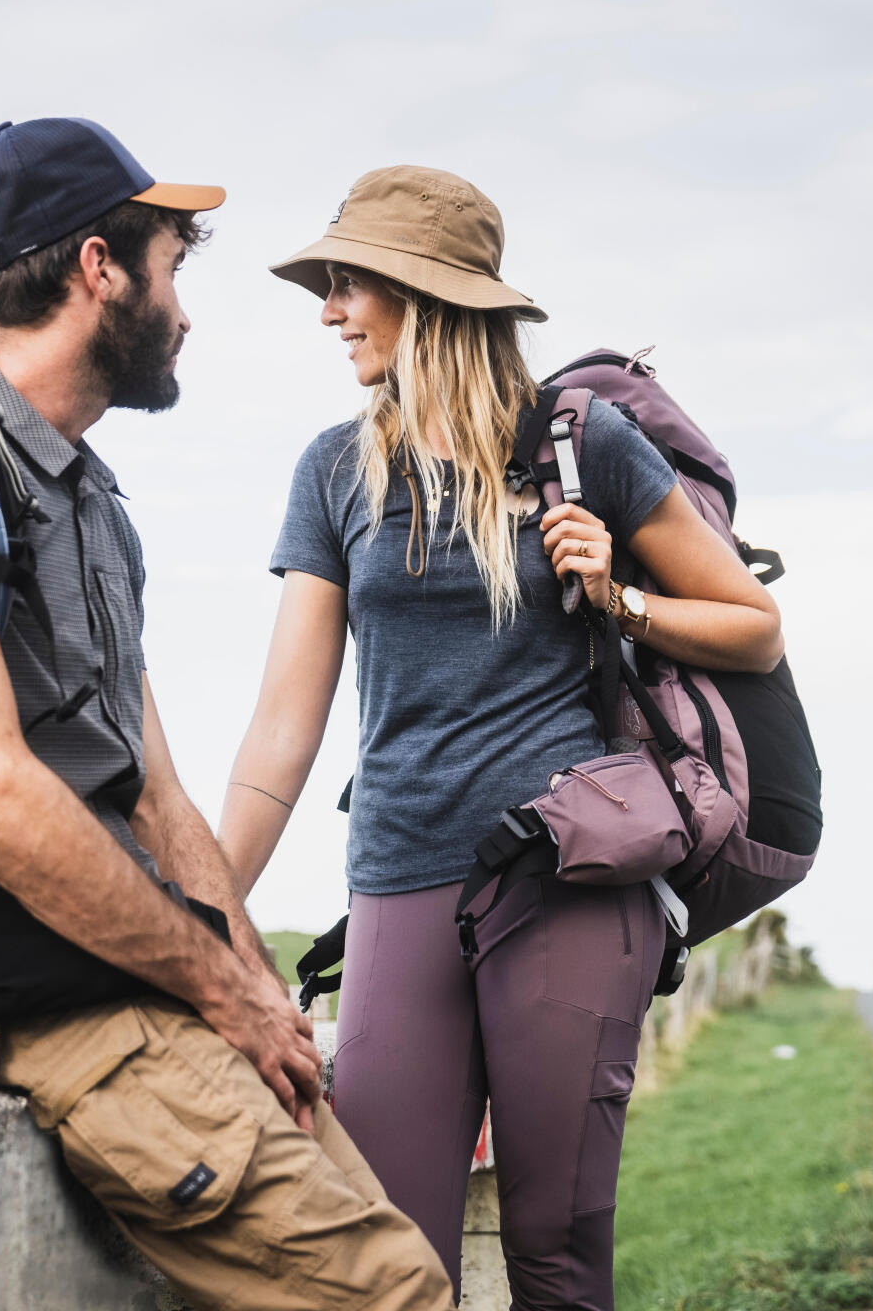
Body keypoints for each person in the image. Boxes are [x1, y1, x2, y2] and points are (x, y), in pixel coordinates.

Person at [0, 121, 452, 1310]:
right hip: (27, 1001)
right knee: (398, 1293)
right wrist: (217, 989)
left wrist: (256, 985)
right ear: (99, 266)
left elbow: (153, 792)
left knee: (399, 1250)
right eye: (173, 268)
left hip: (128, 981)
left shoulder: (91, 502)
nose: (186, 311)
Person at [218, 165, 785, 1309]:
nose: (329, 310)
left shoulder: (585, 448)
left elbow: (753, 628)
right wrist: (199, 912)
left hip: (568, 872)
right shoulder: (334, 469)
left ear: (422, 296)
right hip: (398, 873)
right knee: (389, 1259)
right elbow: (284, 726)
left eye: (348, 284)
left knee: (556, 1256)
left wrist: (620, 597)